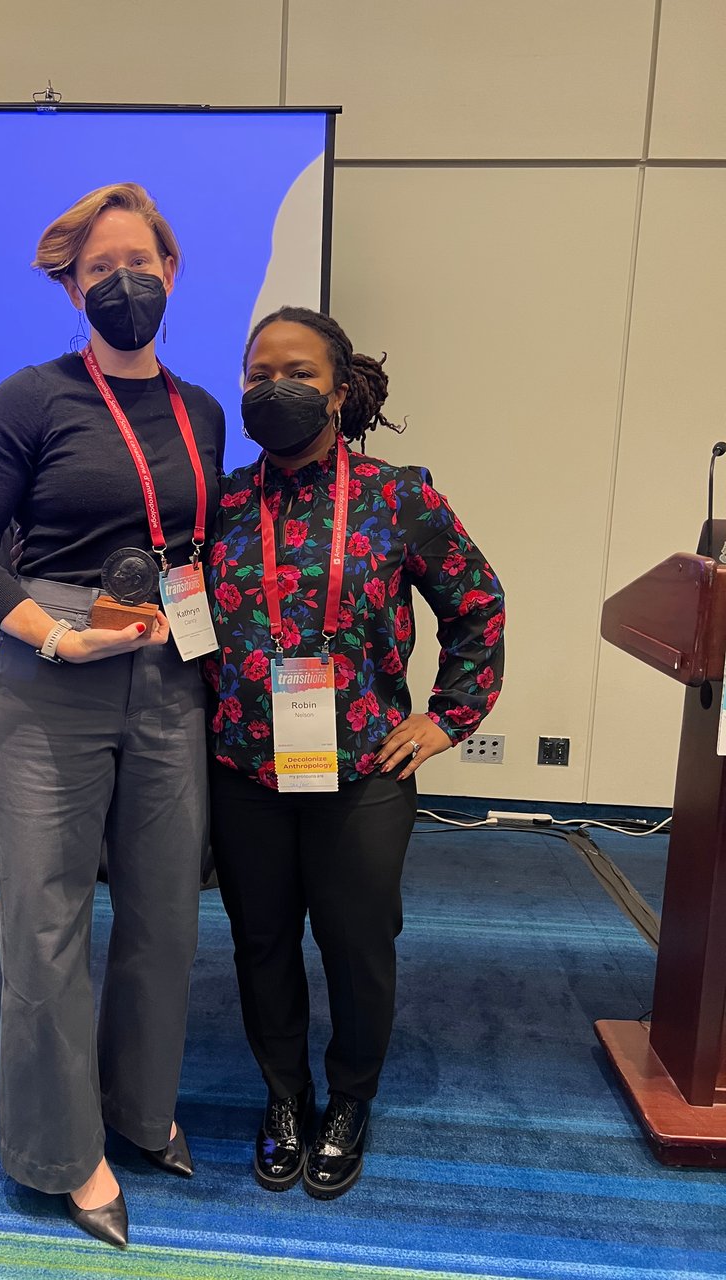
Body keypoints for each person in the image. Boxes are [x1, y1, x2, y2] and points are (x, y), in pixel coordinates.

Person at [0, 183, 225, 1248]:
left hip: (166, 672)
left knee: (164, 913)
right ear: (69, 283)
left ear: (174, 270)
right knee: (47, 925)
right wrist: (54, 634)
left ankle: (141, 1111)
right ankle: (66, 1152)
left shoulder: (202, 410)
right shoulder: (29, 398)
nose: (124, 283)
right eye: (100, 269)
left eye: (140, 261)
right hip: (52, 670)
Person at [203, 306, 504, 1200]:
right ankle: (285, 1097)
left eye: (296, 373)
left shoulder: (398, 495)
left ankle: (351, 1099)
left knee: (357, 943)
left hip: (366, 771)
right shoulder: (219, 504)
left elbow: (478, 604)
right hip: (246, 770)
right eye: (258, 374)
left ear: (341, 391)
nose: (273, 388)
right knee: (260, 942)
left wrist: (449, 718)